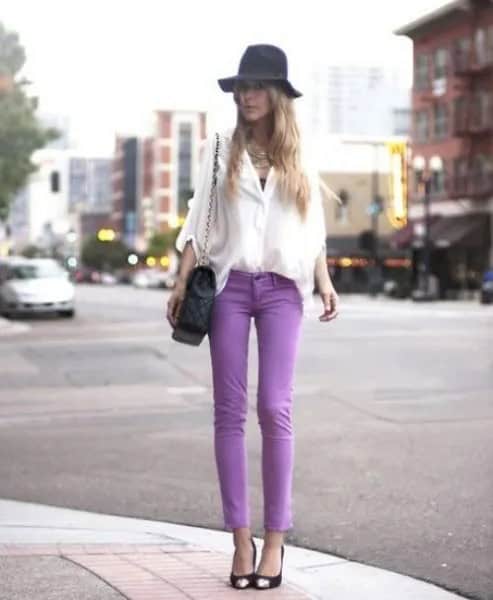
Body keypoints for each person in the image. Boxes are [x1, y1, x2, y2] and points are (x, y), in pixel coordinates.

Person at [167, 44, 339, 591]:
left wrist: (325, 278)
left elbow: (311, 230)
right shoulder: (219, 148)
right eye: (242, 86)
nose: (247, 94)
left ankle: (276, 542)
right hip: (230, 287)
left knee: (274, 407)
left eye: (259, 85)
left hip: (284, 288)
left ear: (280, 95)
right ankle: (240, 540)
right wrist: (180, 276)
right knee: (228, 411)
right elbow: (200, 218)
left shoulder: (298, 155)